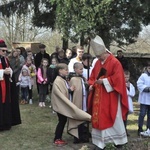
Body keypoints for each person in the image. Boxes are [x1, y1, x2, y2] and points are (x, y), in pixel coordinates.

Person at [88, 35, 128, 150]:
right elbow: (92, 77)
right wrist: (91, 84)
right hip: (98, 95)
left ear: (105, 52)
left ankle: (118, 142)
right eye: (97, 56)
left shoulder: (115, 62)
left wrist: (104, 81)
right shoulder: (97, 63)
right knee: (99, 117)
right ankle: (99, 143)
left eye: (100, 56)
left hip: (111, 96)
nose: (99, 59)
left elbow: (119, 79)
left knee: (112, 116)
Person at [51, 63, 91, 146]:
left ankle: (58, 137)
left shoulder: (62, 79)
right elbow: (60, 94)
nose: (67, 71)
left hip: (62, 106)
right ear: (60, 71)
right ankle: (57, 138)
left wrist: (69, 89)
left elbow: (64, 90)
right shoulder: (58, 81)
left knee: (62, 121)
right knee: (61, 121)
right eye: (65, 70)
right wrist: (69, 90)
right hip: (61, 105)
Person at [0, 40, 21, 131]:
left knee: (6, 104)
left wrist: (9, 71)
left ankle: (6, 123)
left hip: (6, 85)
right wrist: (3, 72)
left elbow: (10, 69)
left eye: (6, 51)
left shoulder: (5, 59)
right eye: (3, 50)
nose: (5, 52)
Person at [69, 62, 90, 144]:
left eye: (82, 69)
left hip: (83, 101)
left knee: (82, 120)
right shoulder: (73, 79)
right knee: (77, 119)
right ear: (75, 69)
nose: (82, 70)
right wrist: (71, 90)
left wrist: (87, 85)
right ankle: (76, 137)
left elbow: (84, 88)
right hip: (77, 102)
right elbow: (72, 91)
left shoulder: (82, 78)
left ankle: (83, 135)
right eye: (80, 69)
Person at [137, 62, 150, 137]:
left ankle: (148, 129)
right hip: (144, 99)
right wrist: (147, 89)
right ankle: (140, 128)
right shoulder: (143, 76)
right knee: (142, 114)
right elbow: (139, 84)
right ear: (147, 68)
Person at [124, 70, 135, 136]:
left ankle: (125, 130)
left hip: (128, 102)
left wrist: (128, 87)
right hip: (122, 103)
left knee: (125, 118)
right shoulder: (120, 83)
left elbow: (132, 93)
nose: (126, 79)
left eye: (127, 77)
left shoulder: (130, 85)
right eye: (125, 77)